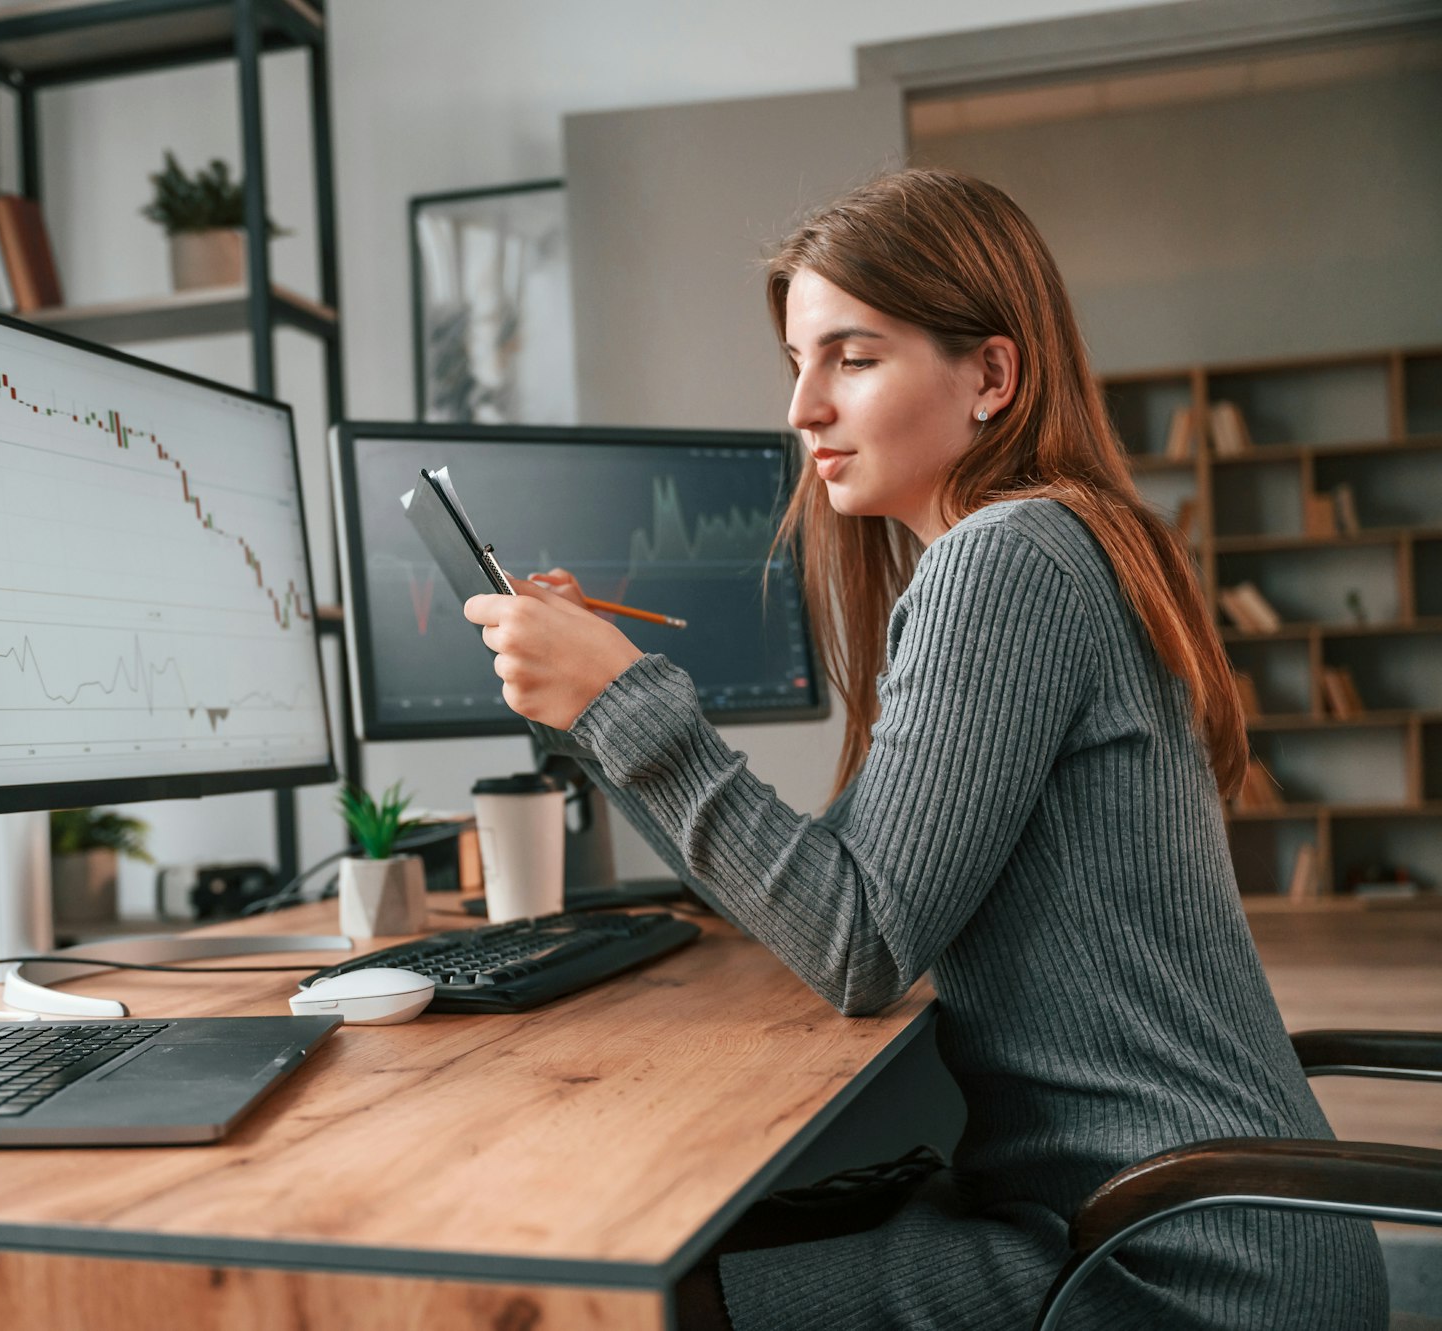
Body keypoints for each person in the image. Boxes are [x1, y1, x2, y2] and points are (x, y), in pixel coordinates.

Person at [462, 168, 1389, 1330]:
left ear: (991, 374)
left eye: (850, 358)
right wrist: (598, 707)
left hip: (1170, 1263)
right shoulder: (1056, 540)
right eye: (796, 363)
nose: (801, 409)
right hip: (1172, 1217)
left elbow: (858, 941)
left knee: (616, 1291)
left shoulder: (1003, 560)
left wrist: (621, 703)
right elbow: (841, 888)